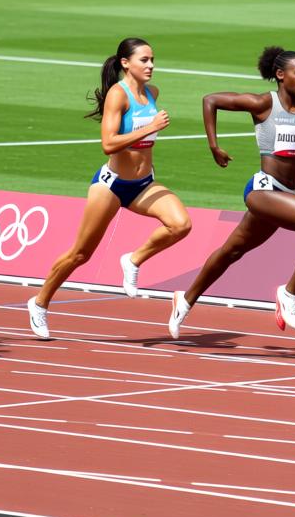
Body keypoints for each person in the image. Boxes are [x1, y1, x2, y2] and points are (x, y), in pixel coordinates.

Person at [26, 38, 191, 339]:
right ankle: (39, 303)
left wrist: (148, 129)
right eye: (144, 60)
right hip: (111, 186)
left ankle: (133, 259)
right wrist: (150, 127)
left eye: (153, 60)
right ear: (126, 63)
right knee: (80, 254)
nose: (151, 66)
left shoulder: (153, 93)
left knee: (181, 224)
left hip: (143, 184)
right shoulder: (119, 95)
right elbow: (108, 144)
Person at [168, 46, 295, 338]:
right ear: (281, 75)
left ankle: (185, 299)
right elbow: (211, 100)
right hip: (263, 191)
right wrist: (213, 145)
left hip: (286, 195)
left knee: (231, 251)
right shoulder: (263, 104)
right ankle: (289, 293)